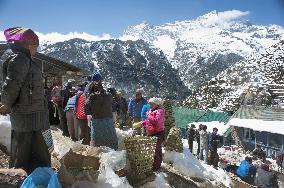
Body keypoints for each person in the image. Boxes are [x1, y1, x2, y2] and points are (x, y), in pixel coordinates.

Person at [0, 27, 51, 174]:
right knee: (23, 151)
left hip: (34, 115)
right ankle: (21, 177)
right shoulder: (19, 59)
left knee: (37, 149)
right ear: (25, 44)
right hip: (25, 115)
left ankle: (37, 175)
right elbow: (12, 84)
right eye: (35, 43)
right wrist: (6, 104)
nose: (37, 46)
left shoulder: (25, 58)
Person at [85, 73, 118, 150]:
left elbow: (86, 108)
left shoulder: (92, 96)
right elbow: (113, 107)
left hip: (97, 121)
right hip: (109, 121)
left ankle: (98, 158)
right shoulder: (109, 95)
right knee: (111, 143)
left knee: (97, 145)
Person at [142, 97, 165, 171]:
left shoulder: (160, 111)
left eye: (152, 104)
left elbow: (157, 121)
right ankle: (157, 164)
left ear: (156, 104)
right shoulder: (152, 110)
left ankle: (156, 167)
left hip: (158, 133)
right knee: (157, 149)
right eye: (150, 104)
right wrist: (143, 123)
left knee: (155, 149)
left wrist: (149, 115)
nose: (150, 105)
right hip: (152, 132)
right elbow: (149, 121)